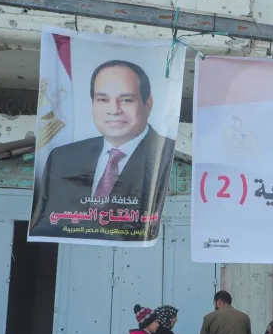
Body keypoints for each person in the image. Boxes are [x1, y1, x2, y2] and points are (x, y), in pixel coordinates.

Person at [29, 59, 176, 239]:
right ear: (93, 103)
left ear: (148, 104)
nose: (114, 110)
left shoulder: (168, 154)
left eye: (126, 100)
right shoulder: (62, 158)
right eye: (103, 99)